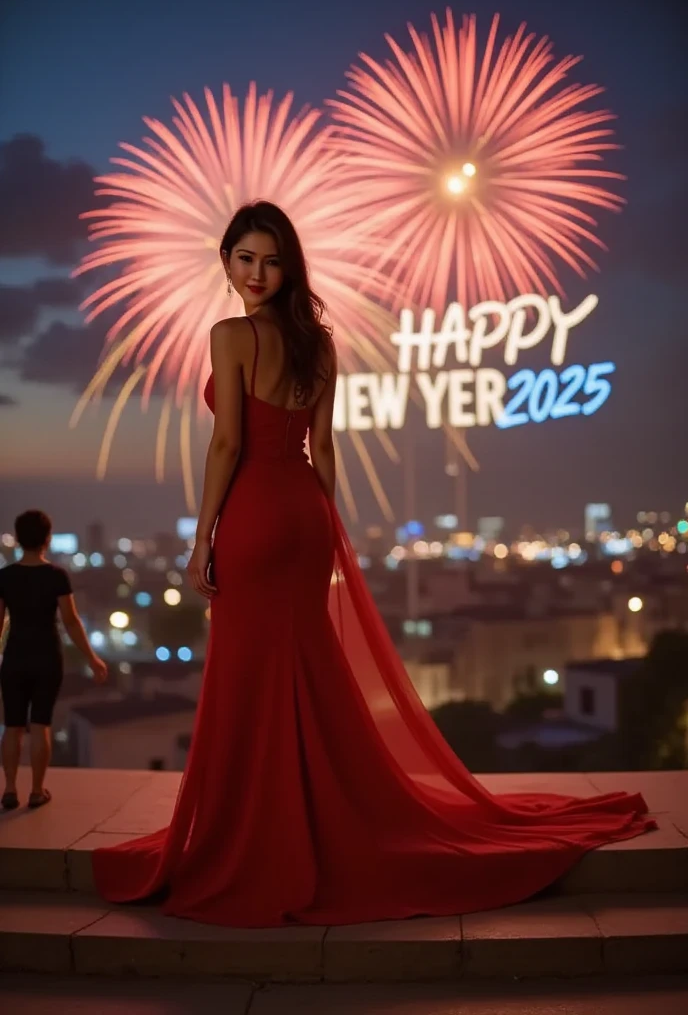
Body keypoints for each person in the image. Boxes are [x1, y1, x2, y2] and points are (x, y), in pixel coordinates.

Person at [91, 201, 655, 928]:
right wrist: (327, 524)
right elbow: (324, 449)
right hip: (305, 513)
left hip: (257, 514)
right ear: (226, 259)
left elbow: (228, 444)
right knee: (306, 668)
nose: (257, 273)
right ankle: (311, 813)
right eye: (246, 259)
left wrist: (203, 537)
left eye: (269, 260)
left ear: (286, 265)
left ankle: (262, 829)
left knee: (247, 671)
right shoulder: (319, 343)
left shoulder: (230, 335)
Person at [0, 510, 107, 810]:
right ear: (47, 539)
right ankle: (36, 790)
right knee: (41, 724)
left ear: (19, 539)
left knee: (12, 725)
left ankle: (9, 789)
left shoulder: (4, 577)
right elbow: (71, 622)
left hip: (15, 658)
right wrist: (93, 659)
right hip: (47, 657)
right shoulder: (57, 576)